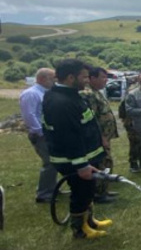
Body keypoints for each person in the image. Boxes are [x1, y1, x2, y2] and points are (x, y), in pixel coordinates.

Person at [43, 58, 111, 239]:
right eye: (84, 77)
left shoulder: (69, 96)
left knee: (87, 190)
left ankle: (90, 221)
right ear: (71, 78)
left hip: (84, 157)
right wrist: (82, 165)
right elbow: (69, 137)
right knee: (80, 193)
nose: (87, 80)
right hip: (74, 161)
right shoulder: (61, 103)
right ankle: (80, 229)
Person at [18, 67, 57, 203]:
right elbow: (29, 115)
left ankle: (52, 188)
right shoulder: (31, 94)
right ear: (42, 79)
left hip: (48, 132)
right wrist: (40, 132)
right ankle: (44, 194)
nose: (54, 81)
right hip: (40, 134)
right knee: (49, 162)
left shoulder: (45, 93)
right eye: (52, 78)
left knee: (54, 161)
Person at [81, 67, 119, 203]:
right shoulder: (89, 94)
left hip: (104, 136)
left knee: (106, 162)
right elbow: (92, 118)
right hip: (99, 138)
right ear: (92, 78)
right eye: (102, 77)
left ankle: (103, 189)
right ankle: (98, 193)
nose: (106, 80)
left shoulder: (96, 92)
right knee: (103, 163)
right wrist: (101, 137)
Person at [118, 86, 141, 172]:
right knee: (134, 144)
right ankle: (133, 163)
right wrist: (127, 122)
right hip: (131, 124)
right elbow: (122, 113)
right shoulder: (128, 99)